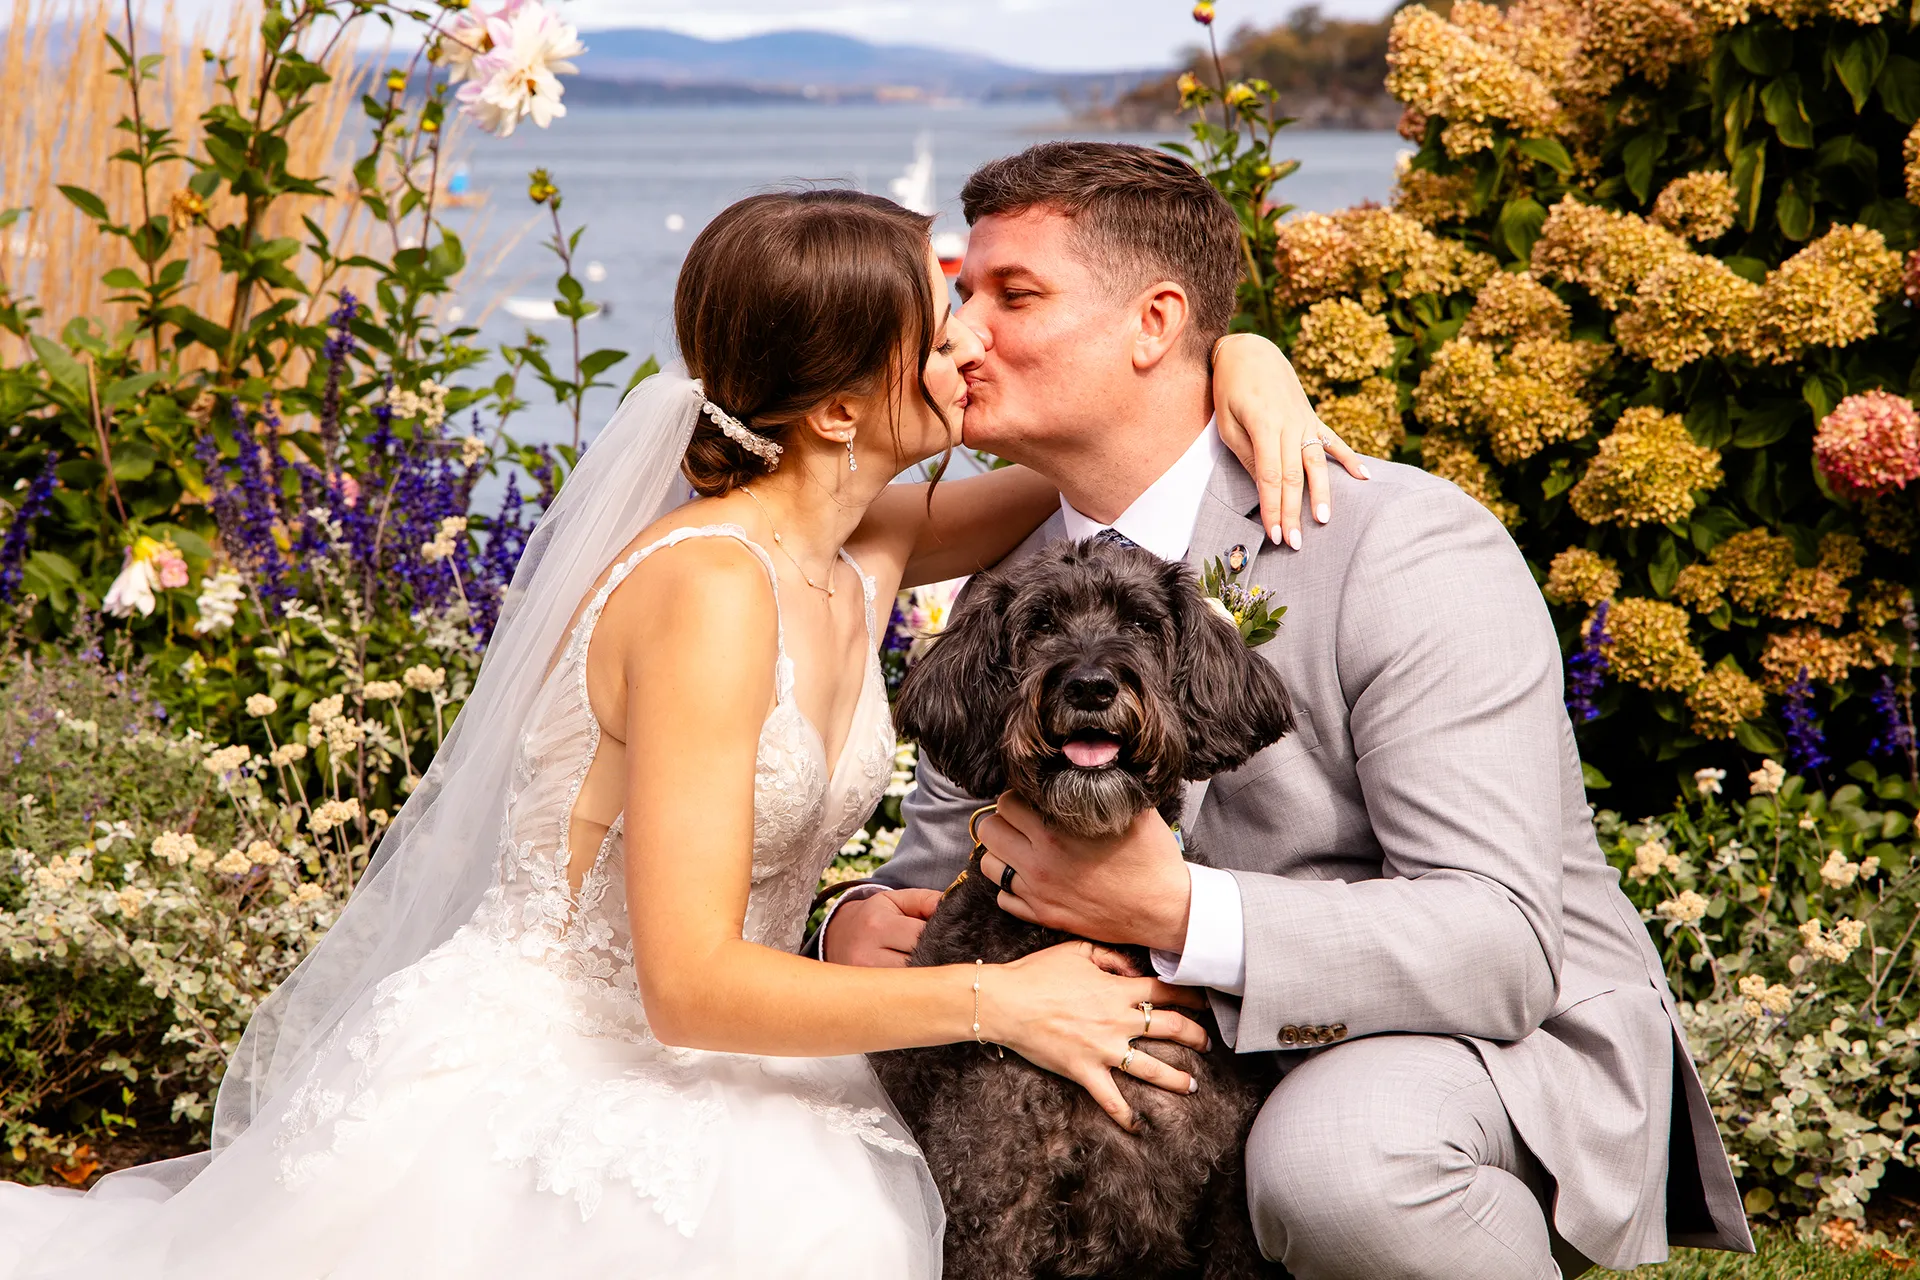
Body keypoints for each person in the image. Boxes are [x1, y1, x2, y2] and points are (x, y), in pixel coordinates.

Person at [0, 187, 1343, 1279]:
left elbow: (1096, 449)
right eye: (939, 333)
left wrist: (1237, 356)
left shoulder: (863, 538)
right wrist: (1008, 998)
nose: (973, 351)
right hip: (598, 1061)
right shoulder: (709, 592)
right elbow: (685, 987)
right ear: (834, 409)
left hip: (756, 1041)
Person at [818, 142, 1756, 1279]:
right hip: (1159, 1044)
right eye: (964, 296)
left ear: (1157, 323)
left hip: (1455, 1033)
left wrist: (1177, 909)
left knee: (1338, 1160)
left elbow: (1502, 944)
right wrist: (855, 921)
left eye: (1014, 295)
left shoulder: (1400, 541)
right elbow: (946, 864)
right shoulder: (1013, 571)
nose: (963, 335)